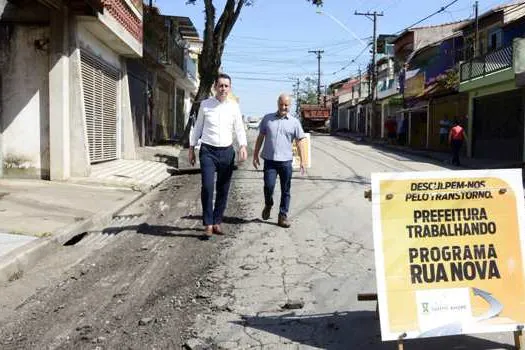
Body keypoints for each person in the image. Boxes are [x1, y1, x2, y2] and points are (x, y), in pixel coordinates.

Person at [189, 73, 248, 238]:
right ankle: (207, 223)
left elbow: (239, 128)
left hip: (227, 152)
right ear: (215, 86)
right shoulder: (205, 105)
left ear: (230, 88)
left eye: (226, 86)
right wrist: (191, 147)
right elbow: (198, 126)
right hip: (208, 151)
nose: (223, 89)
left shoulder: (234, 106)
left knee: (223, 188)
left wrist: (242, 146)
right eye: (220, 85)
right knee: (207, 187)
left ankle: (217, 221)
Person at [252, 93, 306, 228]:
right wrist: (255, 154)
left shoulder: (294, 122)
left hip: (286, 162)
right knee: (268, 187)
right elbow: (261, 137)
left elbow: (300, 141)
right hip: (270, 161)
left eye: (286, 105)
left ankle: (283, 215)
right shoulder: (268, 119)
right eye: (281, 104)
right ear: (277, 104)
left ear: (290, 106)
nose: (283, 107)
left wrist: (303, 160)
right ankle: (268, 204)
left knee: (285, 190)